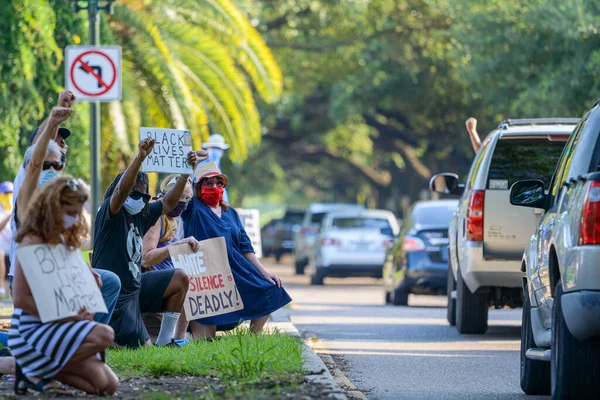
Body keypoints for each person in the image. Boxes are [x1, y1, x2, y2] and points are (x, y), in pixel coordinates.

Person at [9, 105, 121, 328]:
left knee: (108, 282)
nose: (52, 167)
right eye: (46, 163)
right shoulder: (28, 192)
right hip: (34, 283)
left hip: (62, 278)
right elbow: (34, 163)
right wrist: (53, 120)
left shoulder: (63, 199)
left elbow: (66, 248)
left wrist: (87, 271)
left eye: (57, 163)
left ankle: (82, 332)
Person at [92, 138, 207, 348]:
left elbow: (169, 203)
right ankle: (116, 337)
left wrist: (185, 173)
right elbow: (120, 192)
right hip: (117, 296)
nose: (139, 198)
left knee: (180, 278)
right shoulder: (111, 213)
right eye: (134, 193)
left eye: (144, 195)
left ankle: (165, 343)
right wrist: (140, 158)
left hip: (136, 289)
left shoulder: (142, 213)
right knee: (143, 347)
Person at [9, 176, 118, 395]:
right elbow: (20, 300)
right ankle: (32, 366)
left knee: (108, 386)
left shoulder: (63, 239)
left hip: (64, 326)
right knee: (105, 335)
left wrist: (89, 278)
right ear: (53, 208)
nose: (76, 218)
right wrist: (69, 316)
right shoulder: (31, 241)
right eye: (71, 213)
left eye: (78, 213)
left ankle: (36, 370)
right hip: (32, 329)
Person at [181, 161, 292, 339]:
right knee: (204, 339)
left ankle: (252, 339)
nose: (214, 186)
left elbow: (245, 245)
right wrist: (191, 167)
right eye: (208, 183)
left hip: (235, 268)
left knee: (271, 289)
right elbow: (181, 190)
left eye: (218, 183)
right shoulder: (192, 209)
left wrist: (264, 272)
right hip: (207, 274)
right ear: (199, 187)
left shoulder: (231, 213)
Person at [141, 175, 199, 345]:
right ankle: (169, 341)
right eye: (180, 197)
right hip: (153, 277)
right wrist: (178, 246)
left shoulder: (175, 219)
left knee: (190, 280)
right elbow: (146, 259)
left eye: (188, 199)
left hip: (167, 277)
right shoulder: (156, 217)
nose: (184, 203)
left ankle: (179, 340)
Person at [197, 133, 230, 202]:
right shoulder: (201, 165)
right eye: (214, 148)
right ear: (208, 148)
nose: (216, 151)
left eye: (219, 148)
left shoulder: (217, 165)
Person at [0, 182, 13, 297]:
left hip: (13, 249)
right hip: (2, 250)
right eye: (6, 194)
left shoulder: (17, 208)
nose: (8, 197)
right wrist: (10, 215)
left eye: (10, 194)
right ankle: (1, 289)